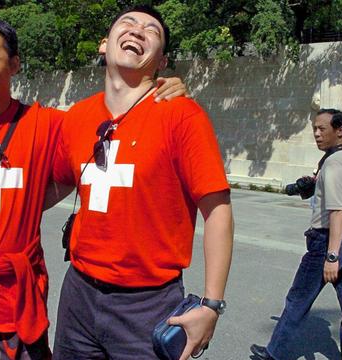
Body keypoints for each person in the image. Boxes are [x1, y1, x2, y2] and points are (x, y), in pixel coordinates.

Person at [0, 13, 188, 359]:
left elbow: (109, 124)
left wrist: (161, 88)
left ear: (15, 64)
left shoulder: (48, 124)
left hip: (18, 301)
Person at [51, 5, 234, 360]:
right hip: (79, 294)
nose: (138, 30)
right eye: (128, 23)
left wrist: (212, 304)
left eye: (151, 30)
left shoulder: (182, 115)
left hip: (148, 304)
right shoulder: (76, 117)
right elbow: (58, 183)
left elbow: (218, 211)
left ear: (162, 61)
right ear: (104, 44)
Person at [250, 109, 342, 360]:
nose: (316, 134)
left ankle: (274, 354)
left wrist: (332, 256)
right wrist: (310, 186)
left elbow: (337, 212)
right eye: (314, 128)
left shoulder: (334, 164)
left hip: (329, 241)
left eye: (322, 129)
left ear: (340, 131)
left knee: (297, 301)